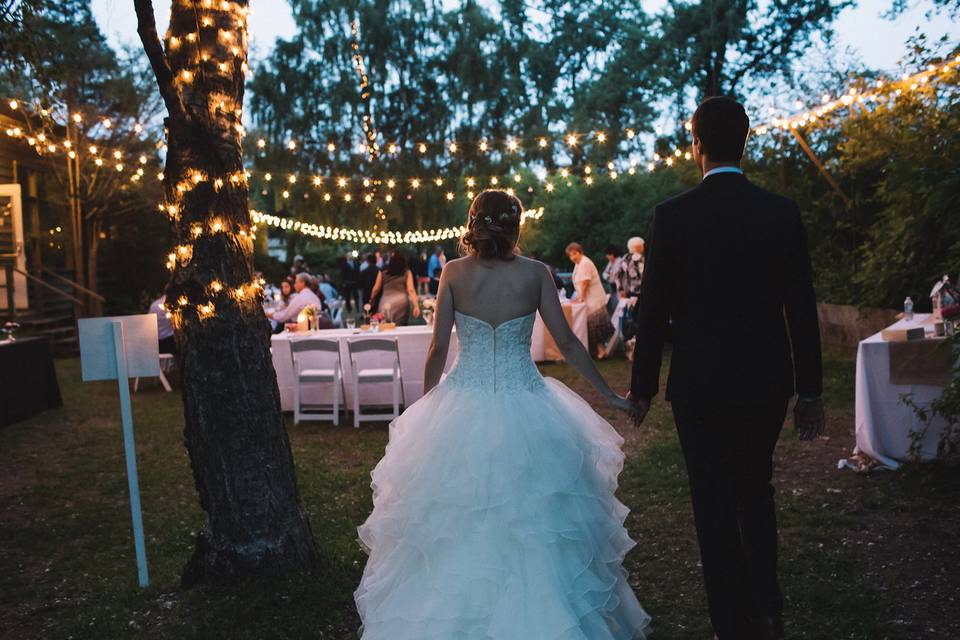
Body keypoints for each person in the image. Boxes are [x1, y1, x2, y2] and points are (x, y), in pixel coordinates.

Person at [355, 190, 650, 639]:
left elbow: (437, 348)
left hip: (463, 402)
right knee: (538, 523)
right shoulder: (536, 274)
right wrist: (608, 395)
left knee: (455, 521)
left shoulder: (454, 273)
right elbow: (568, 345)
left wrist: (425, 404)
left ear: (473, 224)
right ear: (515, 226)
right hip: (527, 404)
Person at [629, 97, 824, 640]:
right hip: (764, 381)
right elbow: (801, 307)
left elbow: (653, 309)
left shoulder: (672, 216)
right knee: (756, 490)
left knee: (712, 504)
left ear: (696, 146)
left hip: (699, 387)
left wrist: (642, 386)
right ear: (745, 141)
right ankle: (766, 607)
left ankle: (729, 626)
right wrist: (810, 391)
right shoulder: (780, 213)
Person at [566, 242, 614, 358]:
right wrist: (579, 297)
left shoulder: (585, 263)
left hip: (594, 299)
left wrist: (581, 298)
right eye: (570, 255)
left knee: (596, 326)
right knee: (593, 327)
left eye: (574, 254)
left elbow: (585, 283)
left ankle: (601, 351)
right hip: (589, 299)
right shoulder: (579, 264)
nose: (572, 257)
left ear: (580, 252)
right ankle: (598, 350)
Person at [369, 250, 420, 325]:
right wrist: (416, 306)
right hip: (402, 303)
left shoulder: (382, 273)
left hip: (386, 302)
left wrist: (371, 300)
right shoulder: (407, 273)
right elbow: (411, 290)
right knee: (401, 327)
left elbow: (376, 289)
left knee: (384, 327)